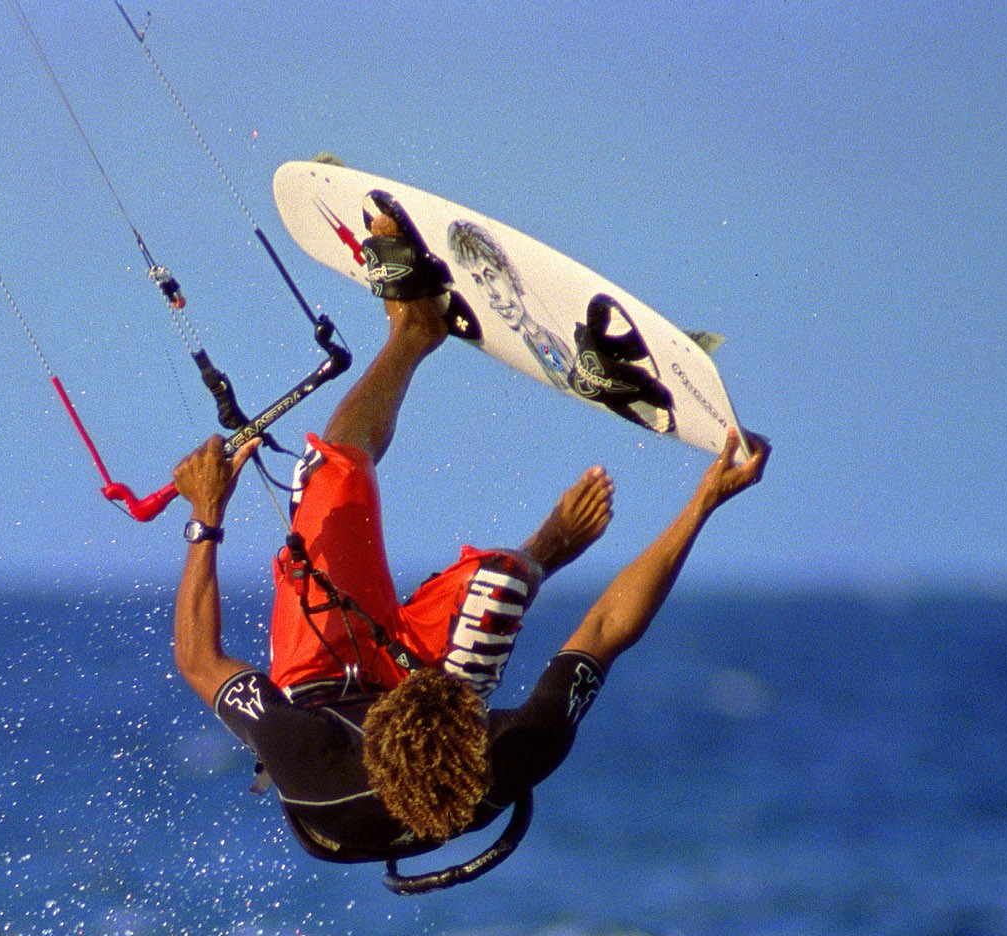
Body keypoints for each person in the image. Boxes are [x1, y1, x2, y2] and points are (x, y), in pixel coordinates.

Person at [168, 202, 770, 884]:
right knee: (505, 579)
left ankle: (415, 327)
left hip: (320, 685)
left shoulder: (302, 750)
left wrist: (207, 514)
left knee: (332, 474)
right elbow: (604, 630)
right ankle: (537, 552)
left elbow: (197, 658)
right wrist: (705, 503)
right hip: (432, 748)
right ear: (472, 717)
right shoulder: (517, 748)